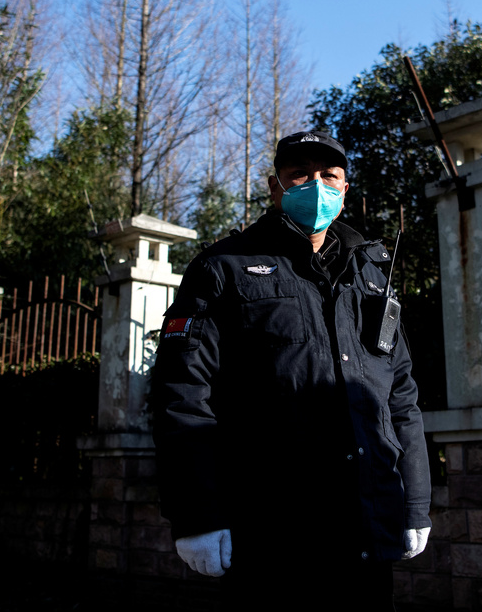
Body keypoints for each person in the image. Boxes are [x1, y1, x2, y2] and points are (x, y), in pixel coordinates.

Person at [151, 130, 431, 610]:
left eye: (329, 175)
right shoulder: (223, 268)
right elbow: (182, 395)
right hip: (271, 534)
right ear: (275, 186)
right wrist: (198, 516)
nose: (316, 186)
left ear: (345, 188)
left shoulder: (370, 274)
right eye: (300, 174)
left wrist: (416, 502)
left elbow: (399, 395)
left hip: (365, 529)